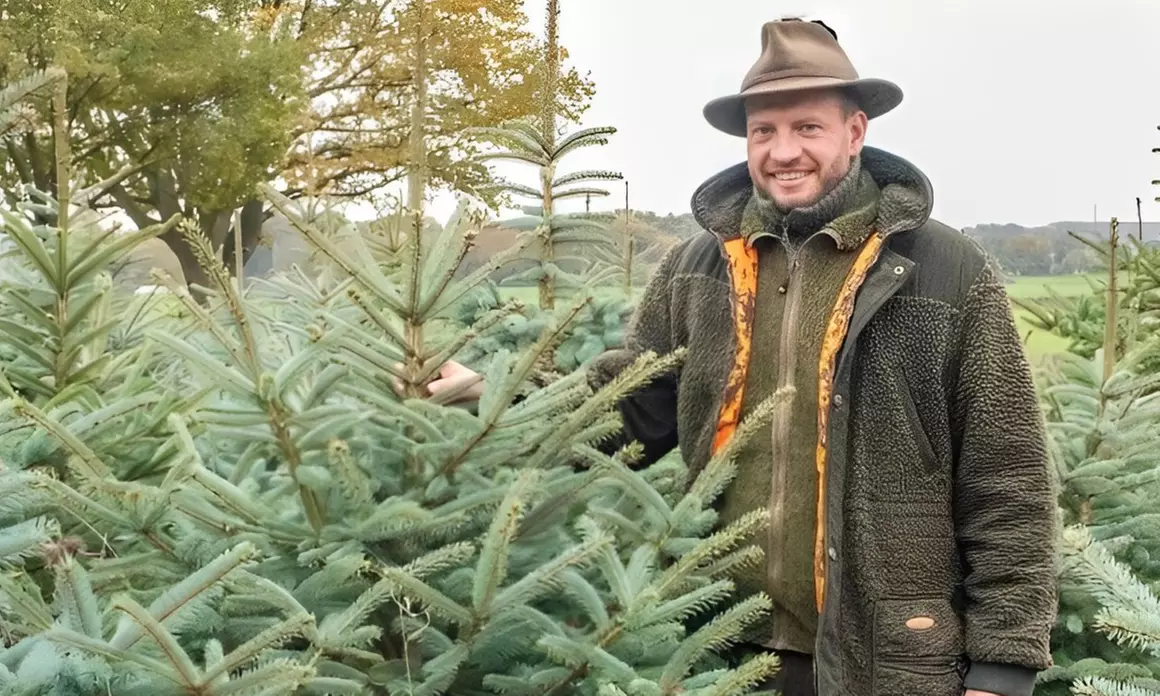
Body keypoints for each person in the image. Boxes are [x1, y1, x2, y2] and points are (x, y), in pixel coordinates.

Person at [423, 17, 1058, 696]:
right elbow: (628, 408)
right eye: (764, 131)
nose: (783, 151)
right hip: (722, 654)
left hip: (892, 660)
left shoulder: (941, 270)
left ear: (855, 131)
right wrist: (492, 395)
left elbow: (1008, 472)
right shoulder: (702, 267)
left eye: (807, 127)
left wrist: (1003, 664)